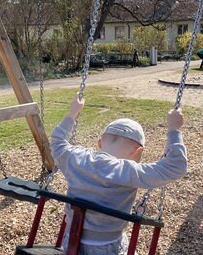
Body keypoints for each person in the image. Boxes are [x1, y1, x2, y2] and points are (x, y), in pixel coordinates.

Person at [50, 93, 187, 254]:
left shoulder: (77, 158)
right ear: (137, 152)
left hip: (71, 240)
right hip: (107, 246)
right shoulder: (127, 170)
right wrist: (174, 130)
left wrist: (72, 113)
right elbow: (175, 167)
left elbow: (57, 142)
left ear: (100, 143)